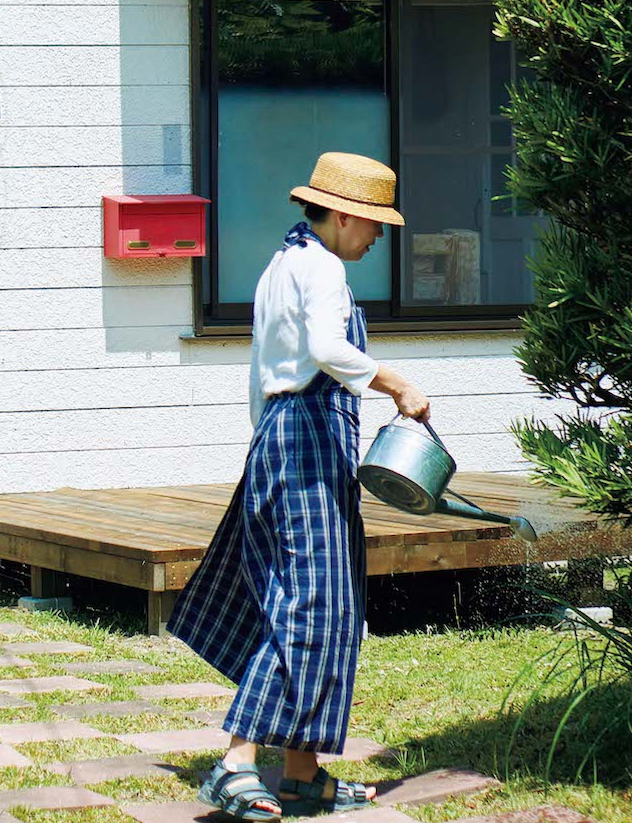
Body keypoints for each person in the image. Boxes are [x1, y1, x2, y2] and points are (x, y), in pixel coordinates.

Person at [171, 152, 430, 819]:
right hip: (306, 443)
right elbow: (325, 349)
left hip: (287, 438)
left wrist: (271, 442)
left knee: (324, 603)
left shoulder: (285, 263)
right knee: (310, 605)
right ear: (343, 216)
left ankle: (303, 774)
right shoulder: (320, 267)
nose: (378, 237)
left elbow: (263, 369)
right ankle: (234, 765)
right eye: (373, 224)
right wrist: (395, 381)